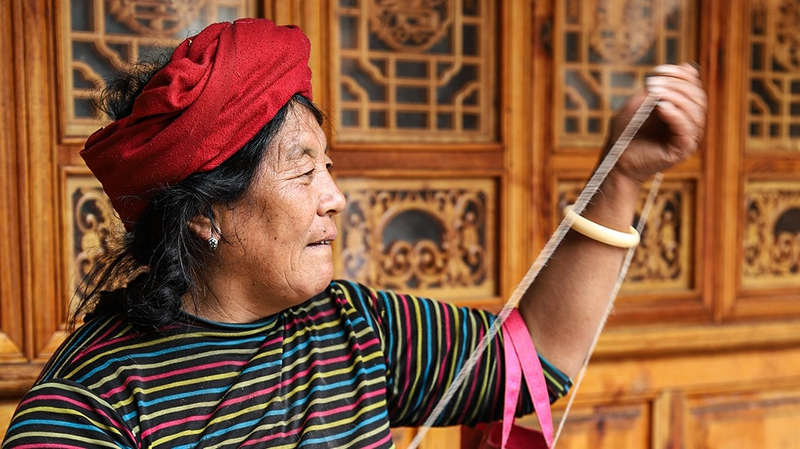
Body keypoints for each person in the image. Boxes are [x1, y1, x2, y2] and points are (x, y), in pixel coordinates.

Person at [1, 18, 706, 448]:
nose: (335, 198)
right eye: (302, 171)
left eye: (328, 167)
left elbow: (537, 360)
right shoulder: (91, 407)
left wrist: (621, 179)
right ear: (203, 213)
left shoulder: (357, 327)